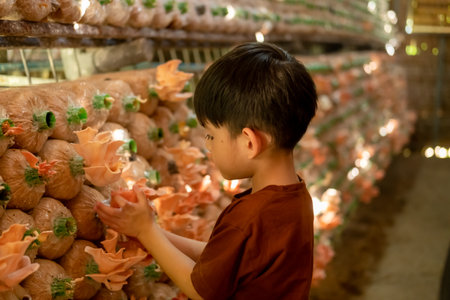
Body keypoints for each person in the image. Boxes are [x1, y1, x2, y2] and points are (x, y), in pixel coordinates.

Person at [95, 42, 318, 300]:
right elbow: (224, 259)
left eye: (211, 136)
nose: (208, 147)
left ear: (249, 142)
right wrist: (151, 234)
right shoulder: (295, 197)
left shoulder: (250, 217)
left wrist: (147, 231)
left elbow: (201, 289)